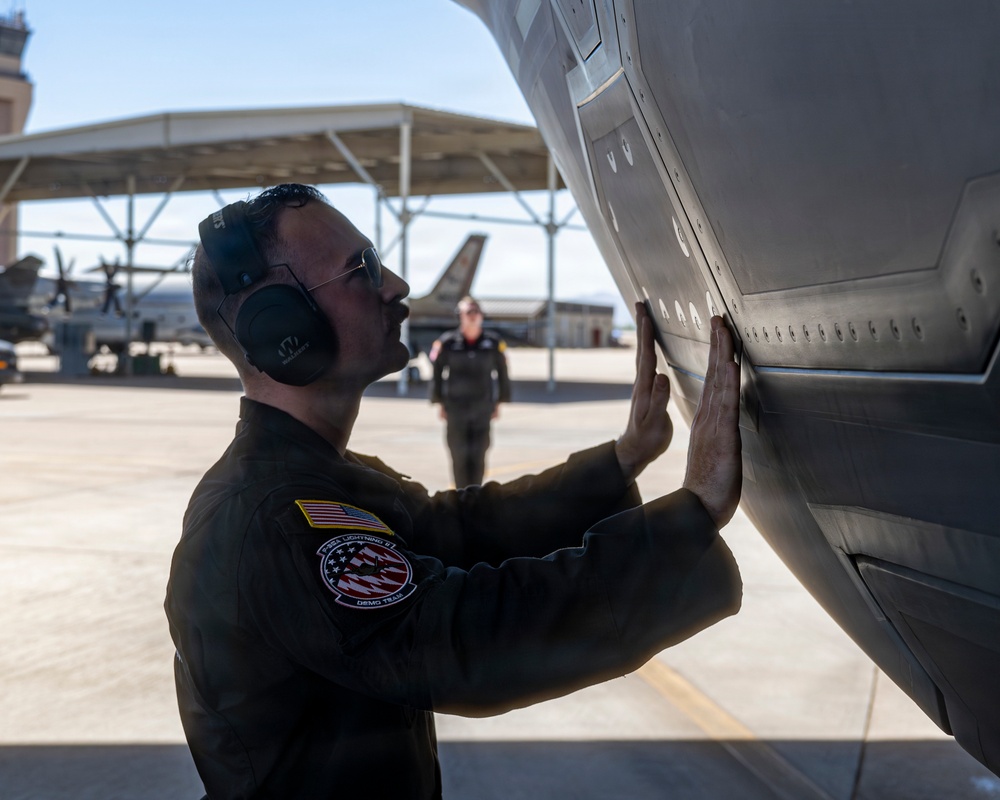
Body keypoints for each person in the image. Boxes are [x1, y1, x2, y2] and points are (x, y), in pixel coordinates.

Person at [164, 183, 744, 800]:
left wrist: (621, 460)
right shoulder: (277, 517)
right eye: (361, 270)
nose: (396, 286)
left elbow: (465, 529)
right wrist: (695, 511)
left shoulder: (323, 479)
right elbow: (468, 638)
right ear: (285, 326)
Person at [430, 295, 511, 486]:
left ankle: (475, 493)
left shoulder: (493, 343)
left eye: (476, 311)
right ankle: (460, 495)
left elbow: (503, 373)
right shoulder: (447, 342)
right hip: (455, 408)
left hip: (482, 407)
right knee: (458, 454)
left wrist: (499, 402)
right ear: (461, 316)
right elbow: (437, 373)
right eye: (469, 312)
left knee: (479, 453)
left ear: (482, 315)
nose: (473, 316)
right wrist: (439, 402)